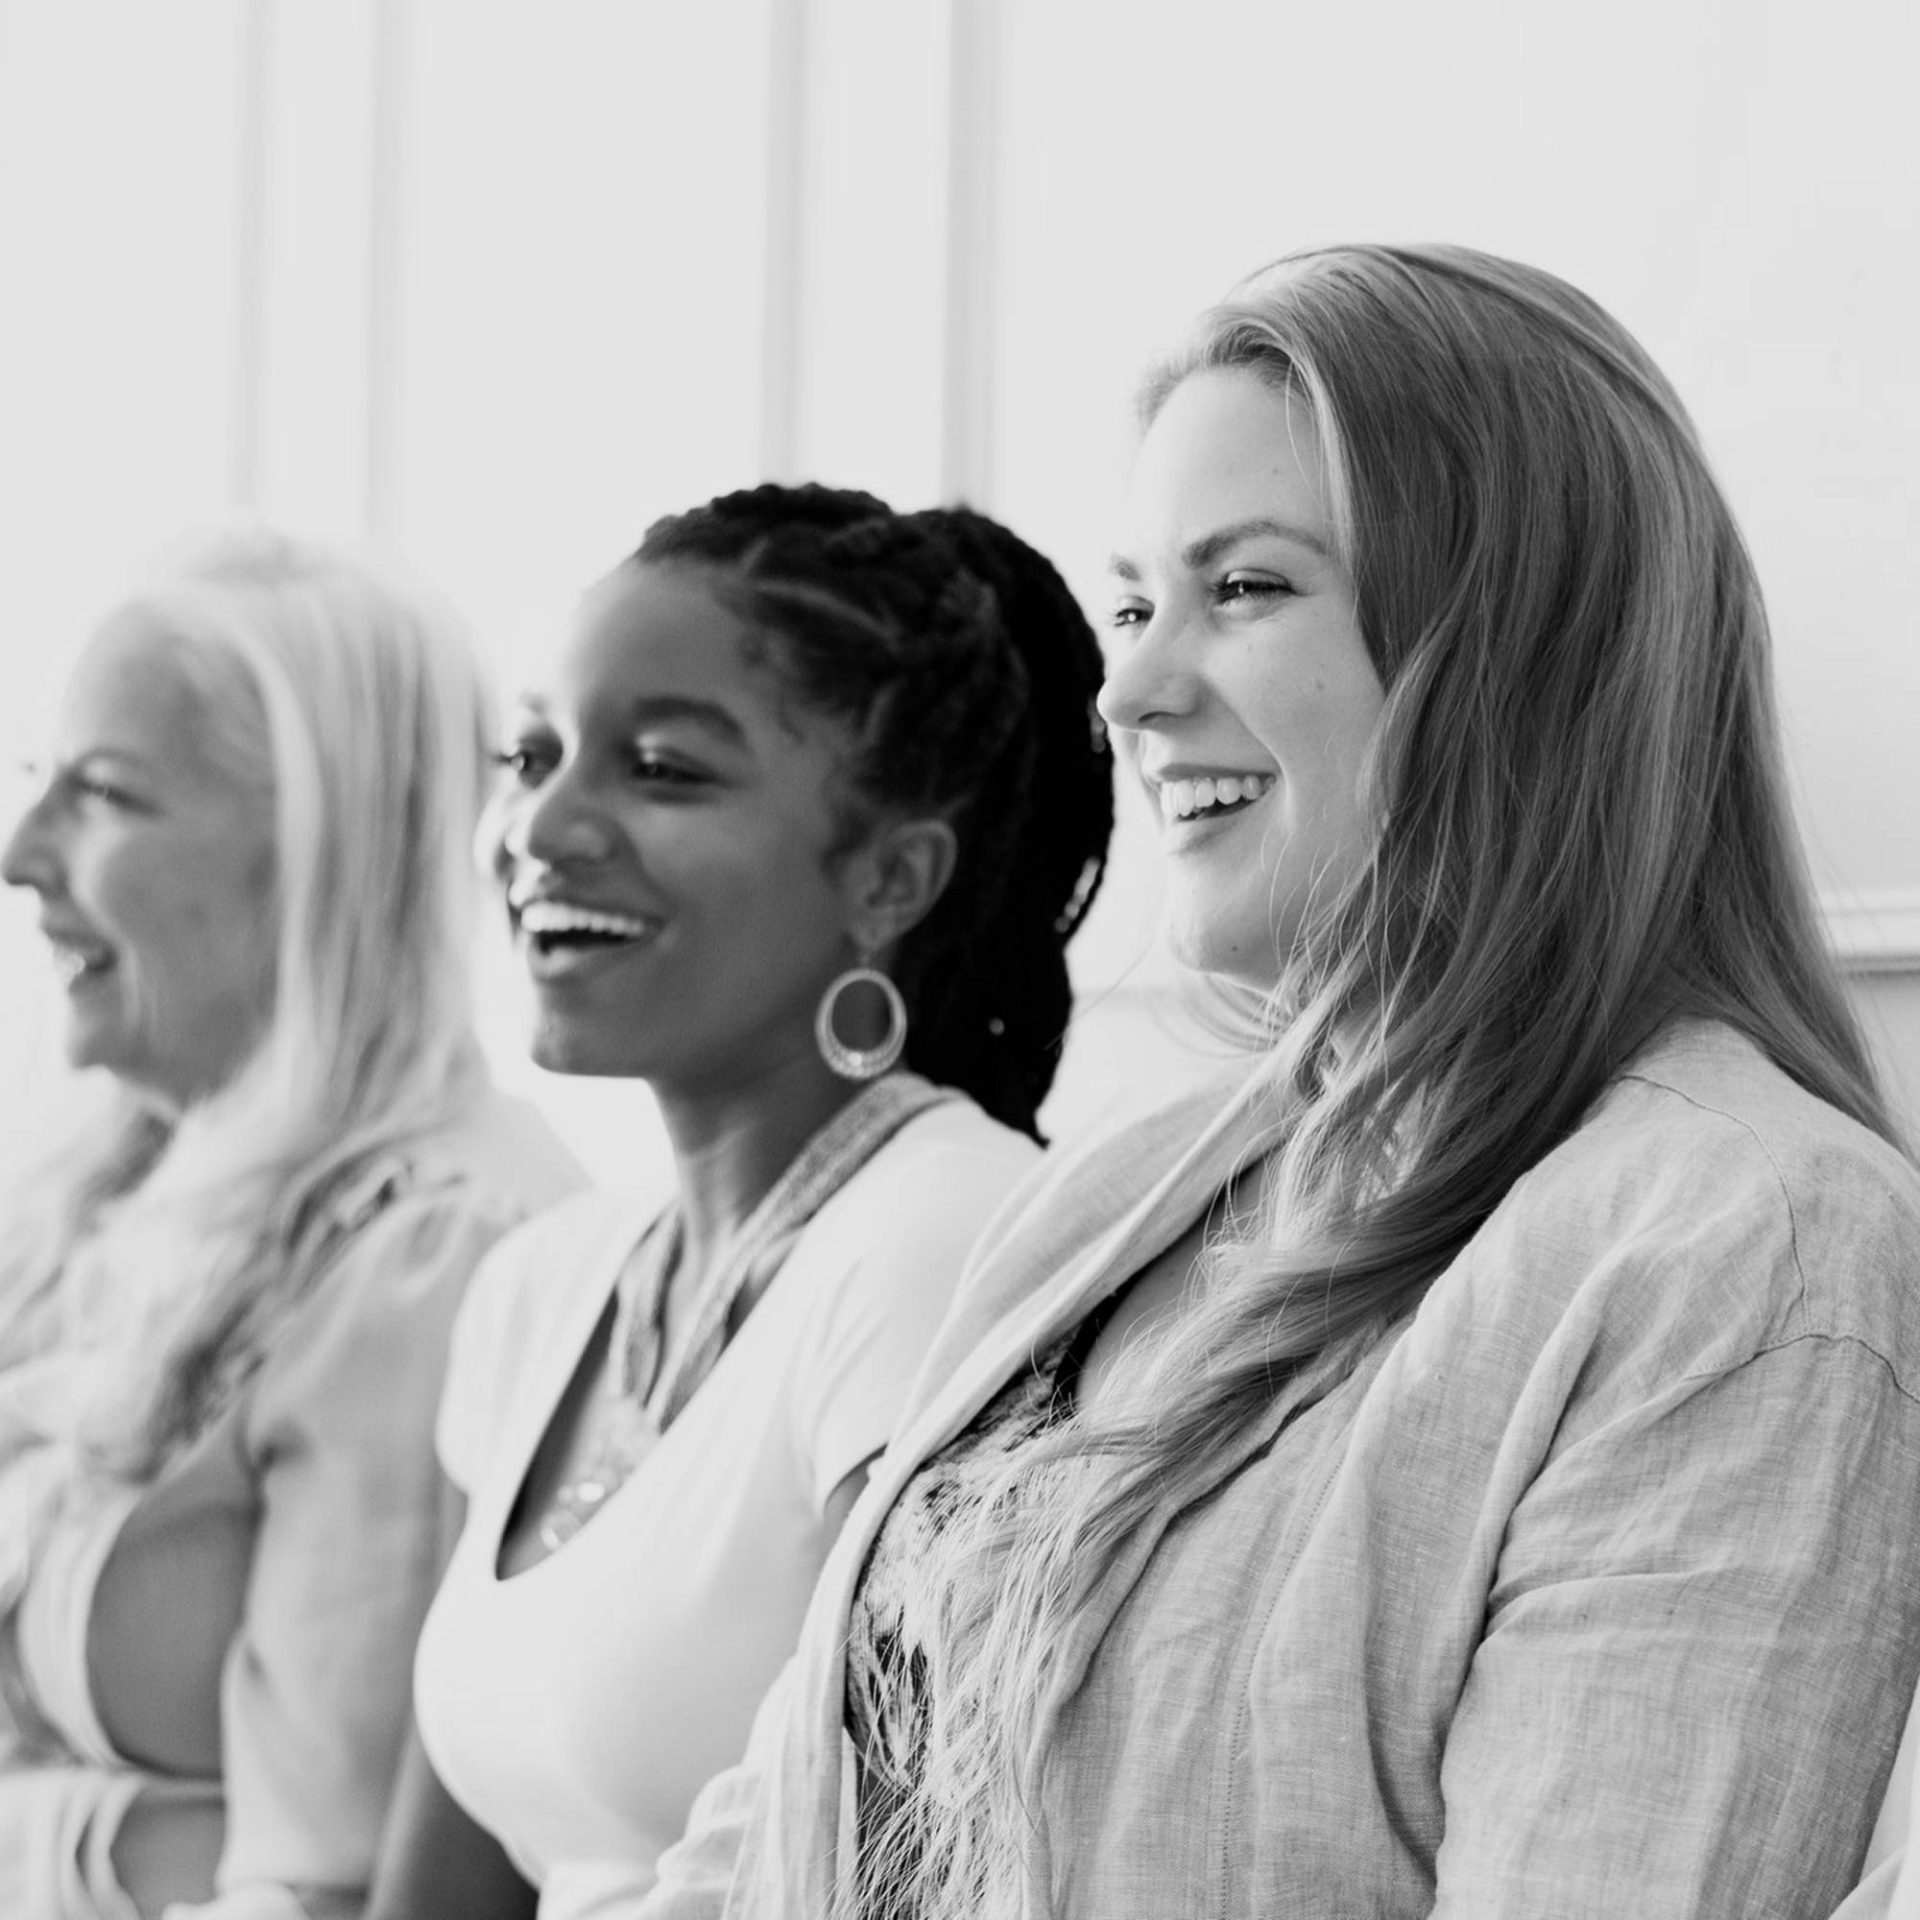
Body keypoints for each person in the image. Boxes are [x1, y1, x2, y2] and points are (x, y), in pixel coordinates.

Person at [635, 244, 1920, 1920]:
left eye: (1244, 590)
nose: (1132, 691)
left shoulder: (1744, 1243)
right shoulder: (1119, 1191)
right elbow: (787, 1826)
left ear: (1519, 646)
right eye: (1133, 603)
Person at [366, 485, 1114, 1918]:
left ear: (891, 877)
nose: (545, 825)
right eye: (534, 754)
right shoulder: (543, 1284)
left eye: (661, 769)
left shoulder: (941, 1247)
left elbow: (896, 1869)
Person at [0, 531, 583, 1920]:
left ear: (322, 854)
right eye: (42, 788)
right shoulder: (97, 1186)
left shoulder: (430, 1255)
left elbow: (319, 1887)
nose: (22, 857)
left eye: (108, 797)